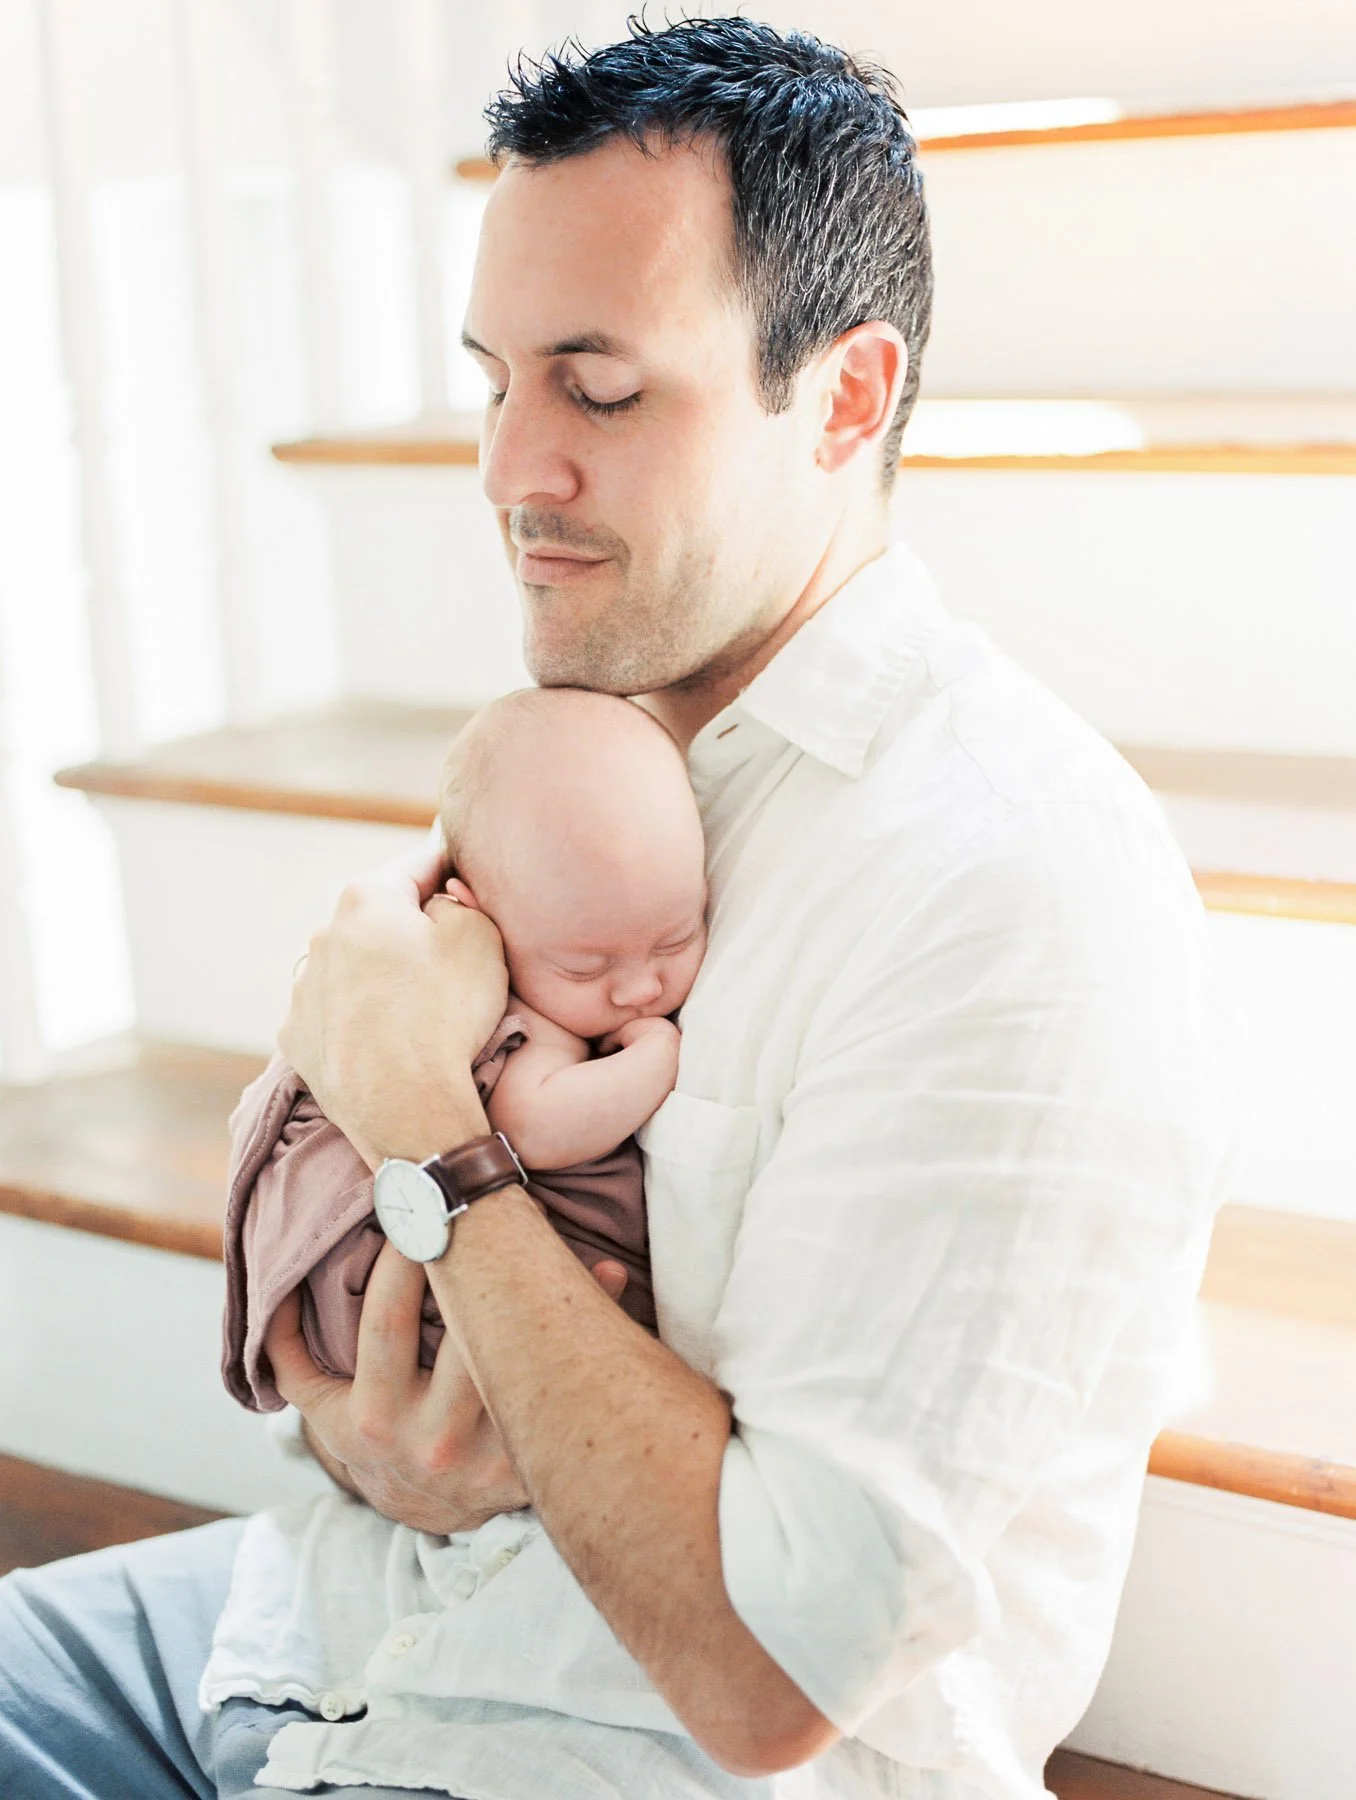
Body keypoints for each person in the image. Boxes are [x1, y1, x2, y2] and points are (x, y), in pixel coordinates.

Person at [0, 17, 1235, 1800]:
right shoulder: (598, 743)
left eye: (598, 387)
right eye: (493, 377)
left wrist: (429, 1128)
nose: (511, 470)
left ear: (850, 395)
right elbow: (402, 1318)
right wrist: (368, 1437)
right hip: (338, 1627)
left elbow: (769, 1679)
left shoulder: (1015, 890)